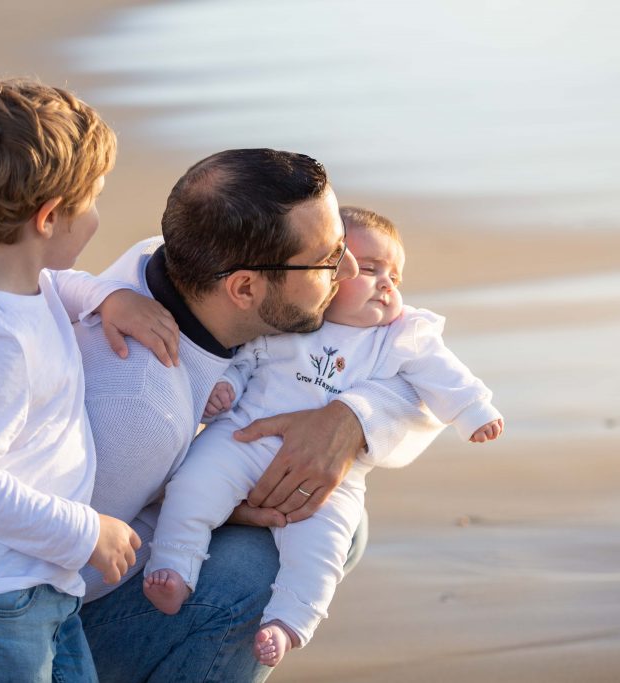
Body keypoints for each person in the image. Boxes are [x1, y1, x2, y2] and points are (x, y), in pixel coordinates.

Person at [67, 150, 448, 682]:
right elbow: (30, 573)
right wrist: (205, 499)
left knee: (330, 512)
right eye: (329, 259)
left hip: (124, 547)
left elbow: (416, 381)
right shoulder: (139, 405)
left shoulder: (187, 265)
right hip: (53, 627)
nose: (352, 271)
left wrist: (349, 417)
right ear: (244, 288)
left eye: (343, 245)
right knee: (261, 566)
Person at [0, 78, 180, 683]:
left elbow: (56, 289)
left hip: (29, 586)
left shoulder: (9, 282)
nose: (98, 214)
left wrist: (104, 298)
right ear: (49, 217)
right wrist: (85, 531)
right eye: (92, 199)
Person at [141, 205, 504, 667]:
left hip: (337, 477)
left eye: (396, 276)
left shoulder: (399, 335)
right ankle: (173, 564)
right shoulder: (292, 319)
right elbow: (244, 361)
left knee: (326, 542)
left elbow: (441, 376)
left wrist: (474, 411)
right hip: (245, 436)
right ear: (329, 273)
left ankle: (290, 620)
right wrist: (224, 390)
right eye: (369, 270)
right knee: (195, 484)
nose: (387, 284)